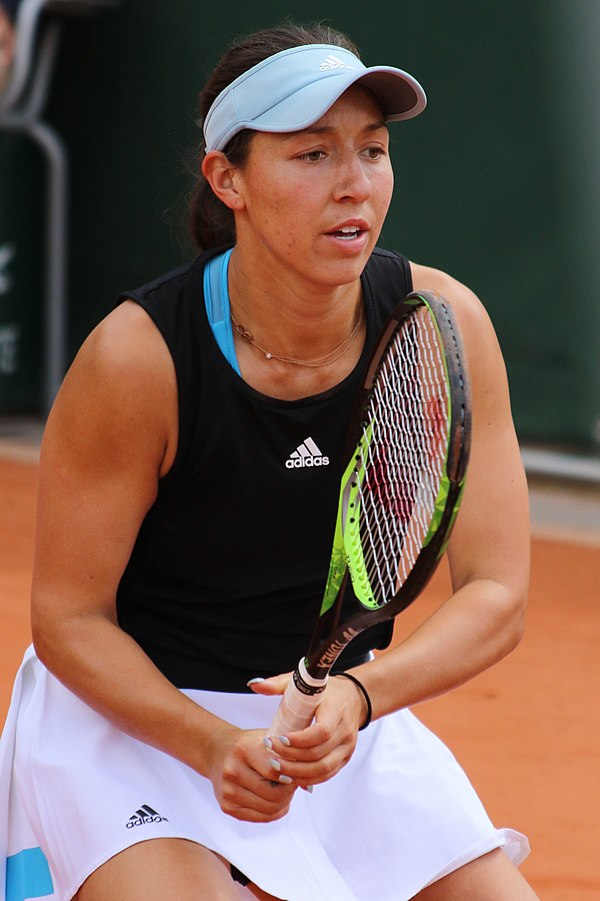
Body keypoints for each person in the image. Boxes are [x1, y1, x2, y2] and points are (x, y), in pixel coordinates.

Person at [0, 21, 539, 901]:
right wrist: (212, 743)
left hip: (338, 724)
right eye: (312, 156)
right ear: (228, 179)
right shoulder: (138, 361)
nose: (355, 184)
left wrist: (359, 700)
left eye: (373, 149)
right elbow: (69, 617)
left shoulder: (440, 323)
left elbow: (497, 593)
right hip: (142, 725)